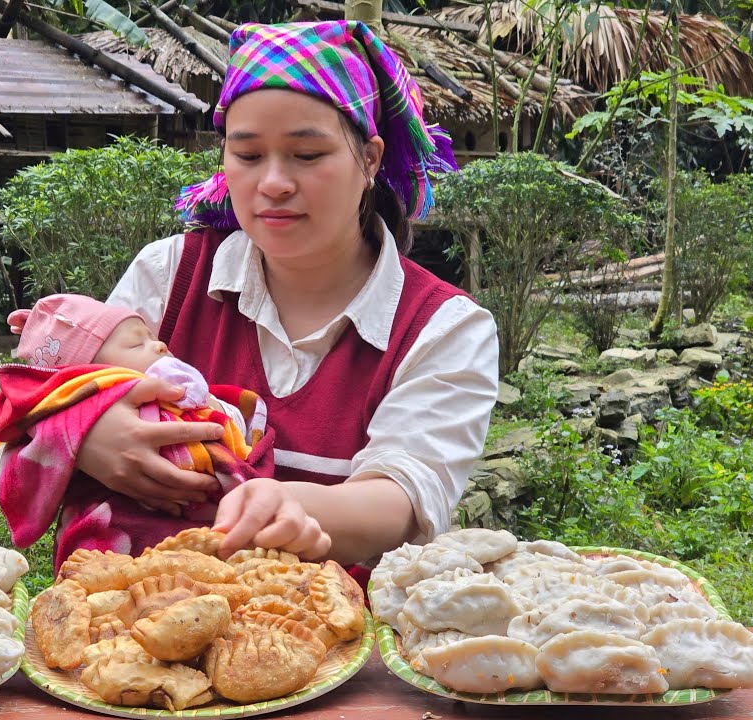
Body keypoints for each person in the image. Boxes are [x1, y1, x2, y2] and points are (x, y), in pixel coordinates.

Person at [80, 20, 500, 568]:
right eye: (249, 156)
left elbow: (401, 498)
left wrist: (292, 505)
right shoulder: (170, 276)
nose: (273, 182)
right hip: (129, 628)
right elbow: (26, 412)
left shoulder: (443, 327)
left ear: (370, 160)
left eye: (307, 155)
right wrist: (84, 436)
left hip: (336, 638)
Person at [0, 293, 273, 567]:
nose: (160, 346)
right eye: (137, 345)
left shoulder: (183, 396)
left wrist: (209, 404)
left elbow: (236, 428)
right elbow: (16, 448)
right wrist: (81, 430)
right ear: (90, 373)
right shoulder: (76, 402)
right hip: (114, 541)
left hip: (206, 534)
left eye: (155, 338)